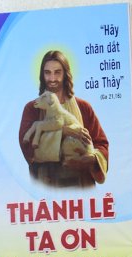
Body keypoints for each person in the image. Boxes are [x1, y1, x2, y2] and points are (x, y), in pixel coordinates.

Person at [19, 50, 109, 187]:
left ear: (65, 74)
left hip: (82, 185)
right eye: (47, 73)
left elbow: (101, 144)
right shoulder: (33, 108)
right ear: (42, 75)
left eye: (57, 72)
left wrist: (90, 160)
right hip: (47, 186)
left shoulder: (84, 107)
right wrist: (63, 132)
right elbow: (27, 147)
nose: (52, 78)